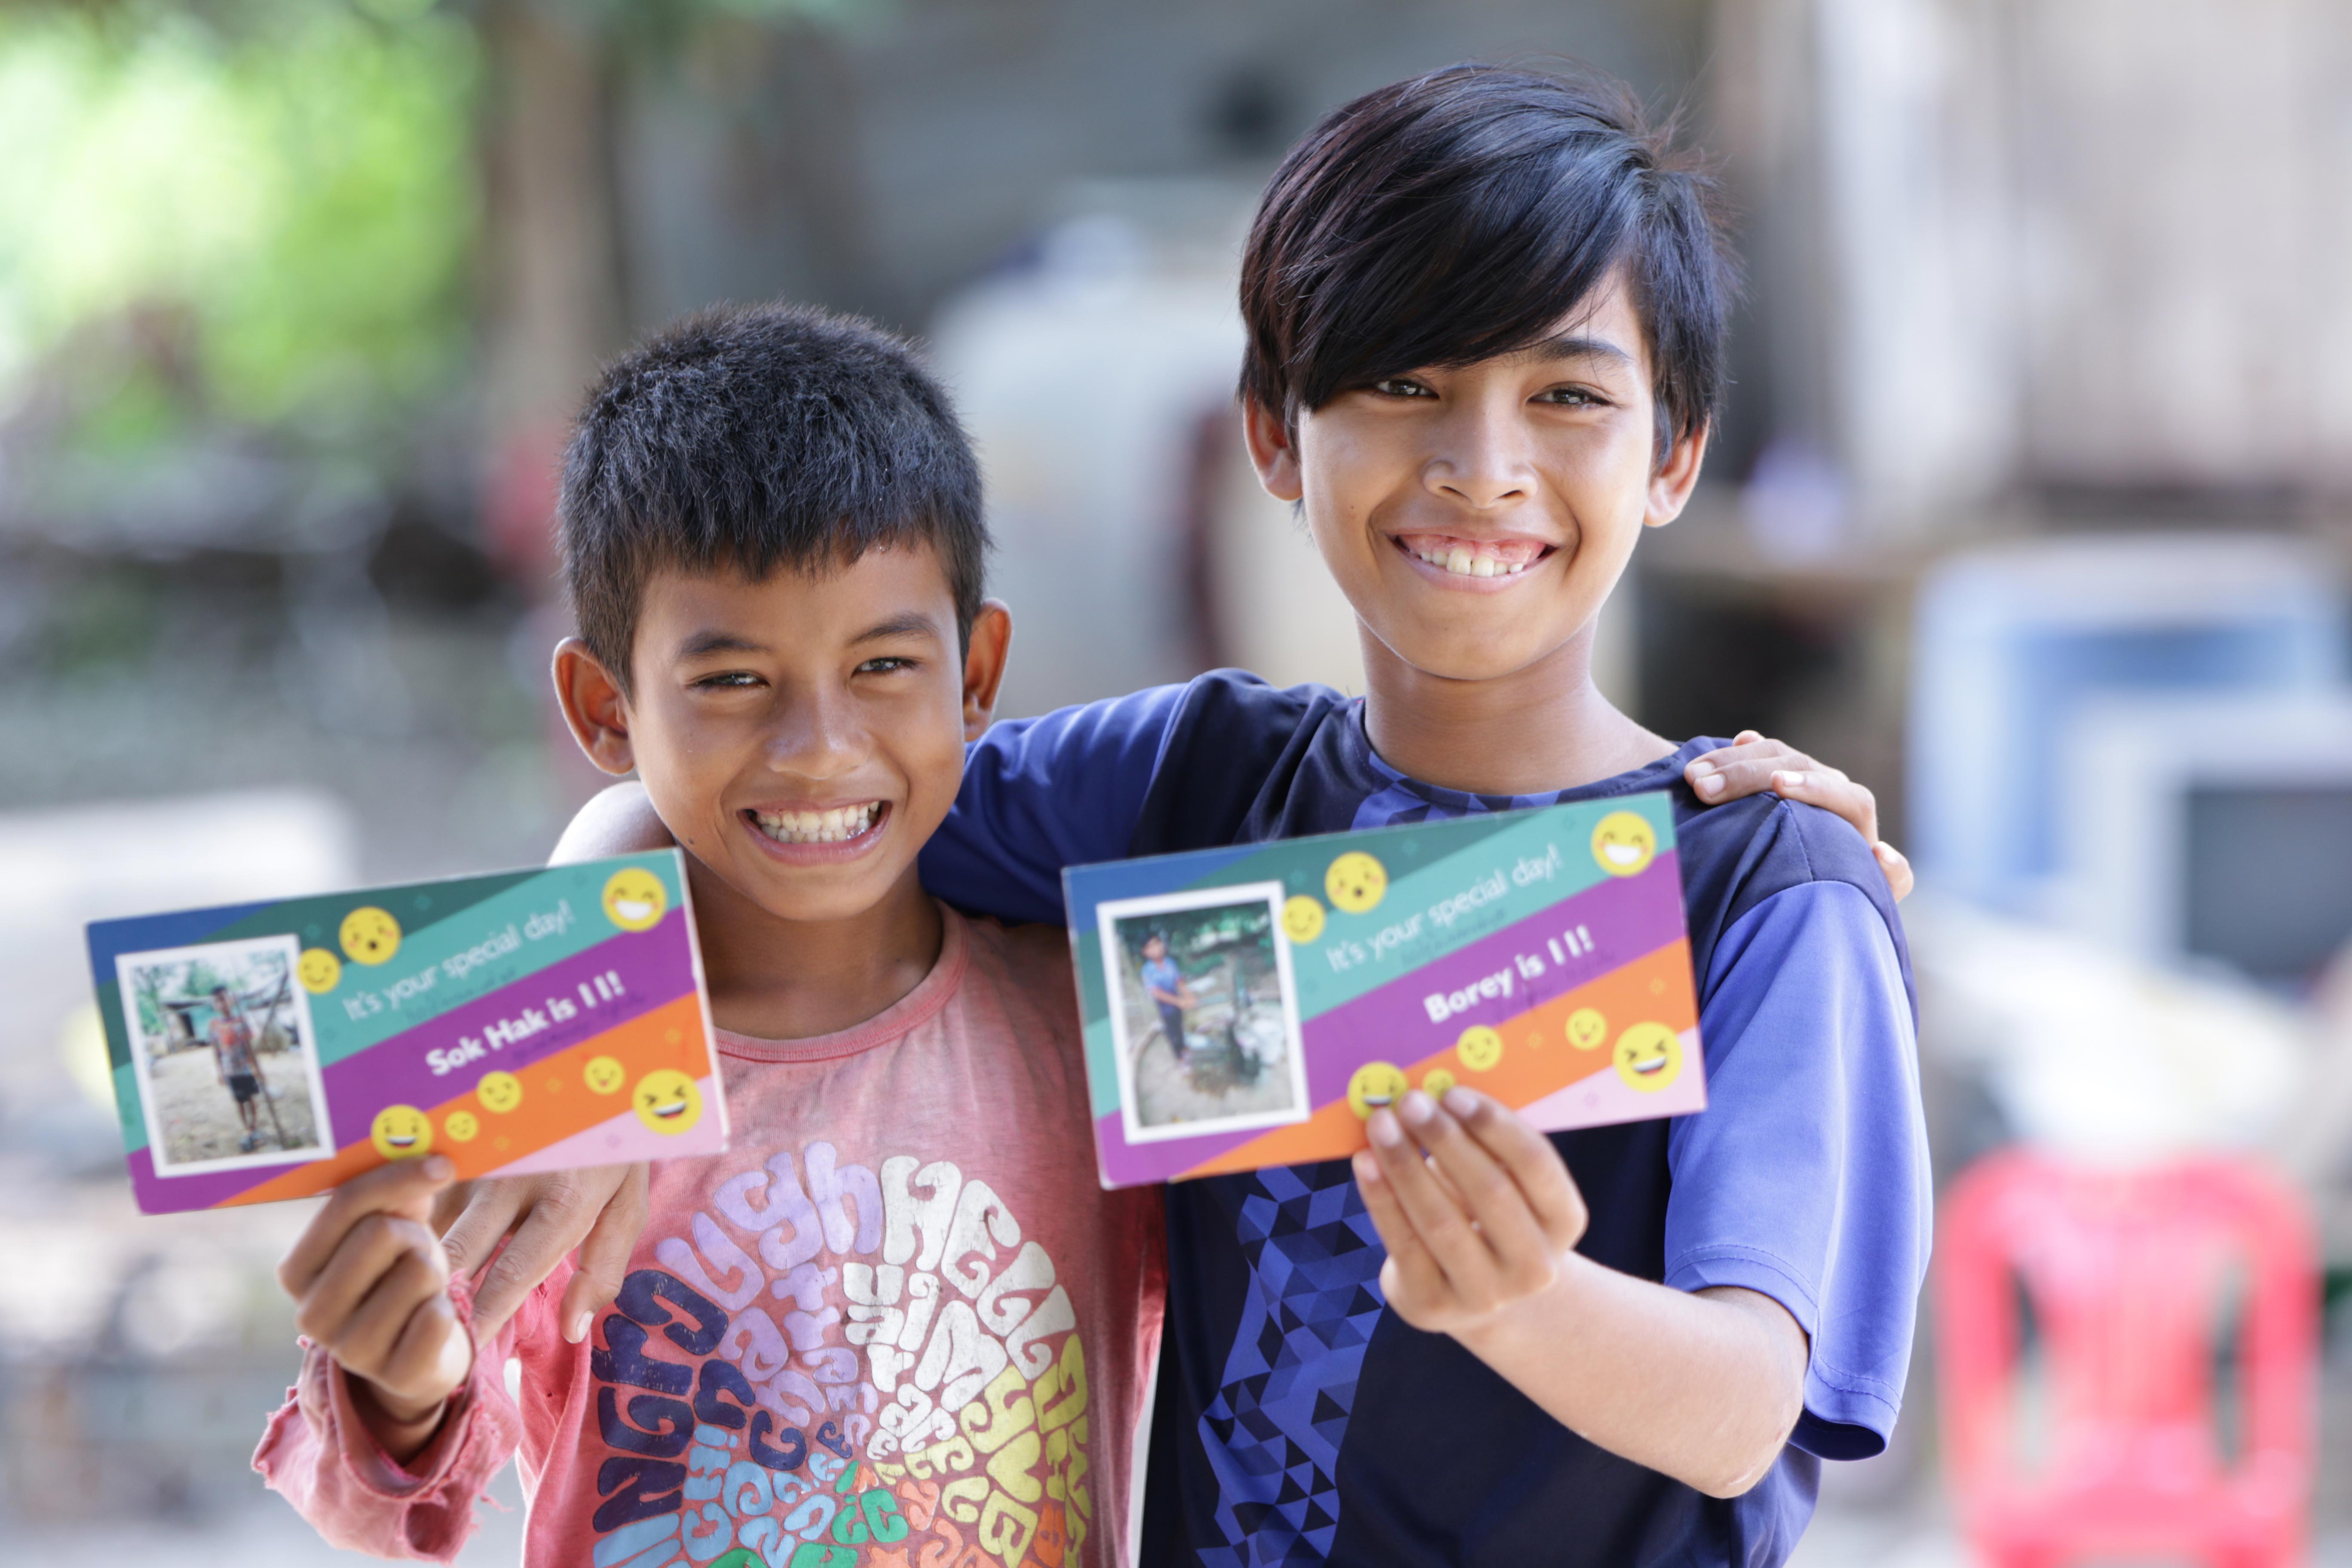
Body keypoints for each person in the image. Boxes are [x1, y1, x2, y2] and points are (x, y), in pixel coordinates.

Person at [510, 61, 1930, 1567]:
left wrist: (1524, 1296)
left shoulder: (1761, 883)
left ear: (1671, 458)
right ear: (1271, 432)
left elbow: (1744, 1406)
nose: (1482, 466)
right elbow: (781, 793)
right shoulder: (1186, 786)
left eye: (1568, 394)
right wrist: (587, 1020)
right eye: (1405, 383)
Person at [254, 304, 1164, 1568]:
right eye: (732, 680)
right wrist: (397, 1387)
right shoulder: (533, 1063)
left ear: (978, 674)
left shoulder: (1096, 1028)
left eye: (885, 665)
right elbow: (387, 1503)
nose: (820, 749)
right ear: (602, 709)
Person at [208, 983, 269, 1153]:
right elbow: (216, 1050)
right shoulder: (214, 1025)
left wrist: (258, 1069)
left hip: (246, 1070)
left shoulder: (242, 1022)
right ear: (215, 1005)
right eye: (218, 1001)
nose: (222, 1003)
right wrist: (220, 1072)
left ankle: (254, 1126)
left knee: (251, 1099)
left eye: (224, 999)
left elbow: (250, 1048)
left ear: (232, 1000)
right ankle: (246, 1128)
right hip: (230, 1071)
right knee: (239, 1101)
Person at [1137, 932, 1193, 1063]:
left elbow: (1179, 982)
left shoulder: (1170, 963)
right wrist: (1179, 1001)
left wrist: (1189, 996)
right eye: (1151, 946)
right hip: (1162, 1010)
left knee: (1179, 1028)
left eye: (1157, 944)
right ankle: (1178, 1059)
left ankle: (1184, 1051)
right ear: (1145, 952)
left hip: (1176, 1007)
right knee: (1170, 1034)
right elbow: (1156, 993)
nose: (1156, 948)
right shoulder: (1147, 971)